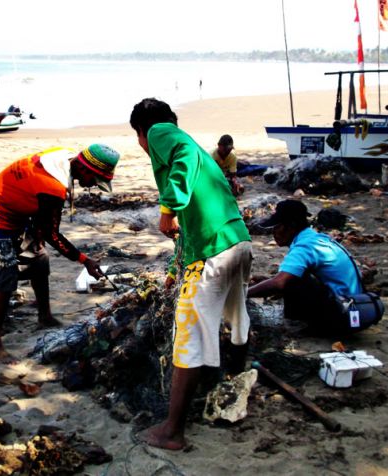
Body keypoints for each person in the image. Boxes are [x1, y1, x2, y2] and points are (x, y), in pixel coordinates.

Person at [129, 98, 253, 450]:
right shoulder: (204, 157)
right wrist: (173, 270)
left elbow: (180, 157)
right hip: (238, 243)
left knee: (189, 339)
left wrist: (167, 208)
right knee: (236, 318)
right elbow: (191, 231)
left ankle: (172, 432)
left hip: (214, 253)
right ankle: (232, 382)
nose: (145, 145)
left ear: (142, 131)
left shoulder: (161, 132)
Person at [0, 145, 120, 365]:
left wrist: (37, 228)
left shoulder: (65, 156)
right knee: (6, 278)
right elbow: (52, 234)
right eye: (94, 180)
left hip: (21, 211)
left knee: (40, 259)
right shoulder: (53, 186)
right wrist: (85, 261)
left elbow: (41, 217)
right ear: (86, 169)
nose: (92, 186)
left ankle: (45, 316)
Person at [247, 199, 363, 333]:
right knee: (291, 278)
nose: (273, 232)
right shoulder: (317, 239)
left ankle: (299, 325)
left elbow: (279, 283)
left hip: (343, 316)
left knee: (291, 281)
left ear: (291, 225)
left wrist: (244, 294)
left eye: (277, 227)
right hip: (354, 308)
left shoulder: (305, 247)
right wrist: (266, 282)